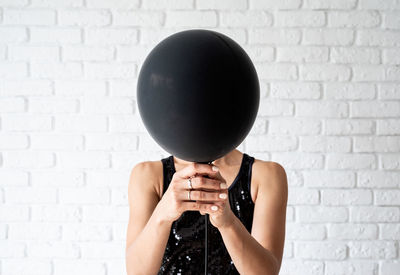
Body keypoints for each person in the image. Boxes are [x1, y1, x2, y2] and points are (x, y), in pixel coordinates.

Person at [125, 148, 288, 275]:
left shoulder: (267, 174)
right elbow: (137, 272)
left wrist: (228, 223)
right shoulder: (148, 174)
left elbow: (266, 273)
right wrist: (162, 215)